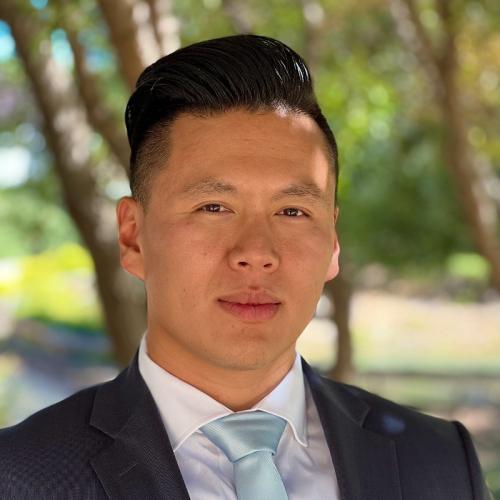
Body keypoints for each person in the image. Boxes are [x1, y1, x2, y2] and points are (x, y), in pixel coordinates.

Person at [0, 34, 491, 500]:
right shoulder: (20, 476)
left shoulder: (440, 461)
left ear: (333, 241)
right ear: (133, 236)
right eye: (213, 207)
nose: (256, 252)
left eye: (293, 211)